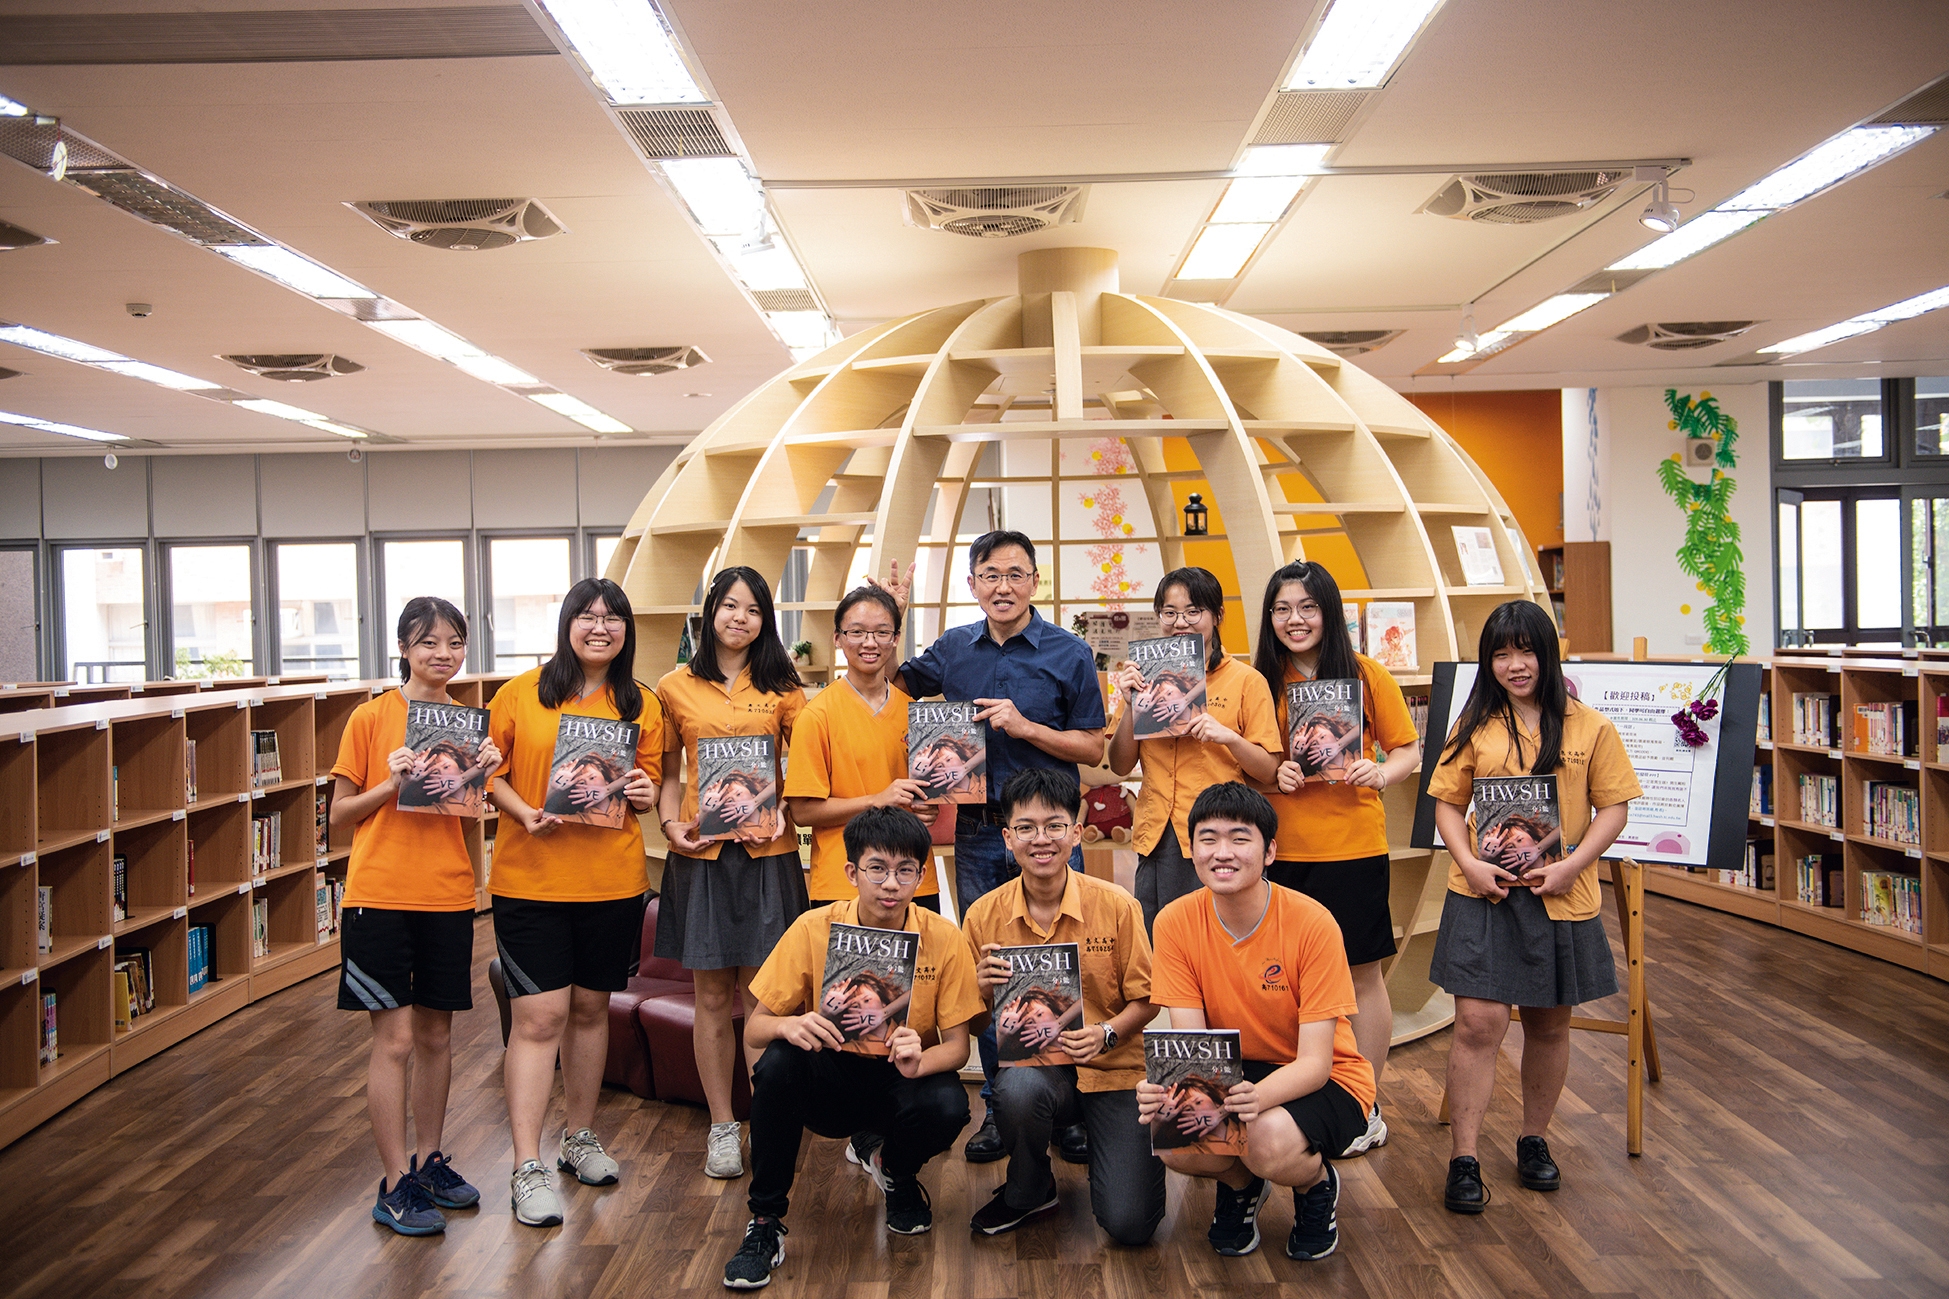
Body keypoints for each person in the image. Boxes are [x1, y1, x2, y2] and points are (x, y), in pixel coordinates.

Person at [873, 532, 1107, 1163]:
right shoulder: (953, 648)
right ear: (972, 584)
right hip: (978, 831)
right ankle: (1003, 1111)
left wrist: (1025, 727)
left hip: (1048, 833)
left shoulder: (1070, 652)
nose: (1003, 586)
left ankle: (1068, 1112)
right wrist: (893, 614)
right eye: (990, 575)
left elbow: (1093, 746)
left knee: (1063, 963)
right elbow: (892, 684)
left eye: (1016, 574)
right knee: (990, 967)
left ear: (1034, 581)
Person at [1426, 599, 1639, 1214]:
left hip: (1560, 895)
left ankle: (1534, 1139)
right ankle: (1464, 1157)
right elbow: (1447, 804)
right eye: (1500, 654)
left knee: (1549, 1024)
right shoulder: (1473, 727)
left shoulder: (1590, 727)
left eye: (1525, 651)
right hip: (1484, 894)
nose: (1514, 665)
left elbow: (1614, 808)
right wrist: (1469, 862)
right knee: (1477, 1024)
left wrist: (1572, 863)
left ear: (1548, 654)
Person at [722, 807, 982, 1290]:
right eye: (876, 868)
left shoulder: (944, 937)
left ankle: (895, 1171)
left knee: (948, 1104)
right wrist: (791, 1025)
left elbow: (959, 1049)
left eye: (905, 870)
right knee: (777, 1065)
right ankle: (764, 1222)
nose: (890, 884)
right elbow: (755, 1030)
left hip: (899, 1078)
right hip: (830, 1076)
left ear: (921, 875)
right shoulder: (813, 927)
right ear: (851, 872)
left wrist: (919, 1058)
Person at [486, 578, 662, 1229]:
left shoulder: (641, 702)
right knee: (539, 1018)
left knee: (591, 1011)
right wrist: (522, 812)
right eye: (586, 615)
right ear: (566, 624)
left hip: (612, 882)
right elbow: (489, 772)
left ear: (626, 631)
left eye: (613, 617)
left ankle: (578, 1137)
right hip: (529, 882)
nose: (599, 627)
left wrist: (644, 792)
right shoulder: (520, 694)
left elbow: (651, 783)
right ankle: (525, 1164)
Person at [1144, 782, 1376, 1263]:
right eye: (1208, 838)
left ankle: (1315, 1185)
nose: (1222, 852)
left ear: (1270, 851)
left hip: (1326, 1076)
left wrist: (1245, 1101)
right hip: (1234, 1070)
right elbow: (1194, 1043)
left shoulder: (1313, 922)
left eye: (1239, 838)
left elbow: (1316, 1064)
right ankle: (1240, 1185)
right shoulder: (1173, 922)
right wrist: (1174, 1090)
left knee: (1264, 1140)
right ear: (1192, 848)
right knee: (1172, 1138)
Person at [329, 596, 498, 1235]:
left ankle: (429, 1164)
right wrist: (389, 781)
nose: (443, 654)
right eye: (429, 642)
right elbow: (338, 817)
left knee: (436, 1037)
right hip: (378, 896)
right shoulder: (371, 717)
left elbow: (468, 812)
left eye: (455, 642)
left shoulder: (467, 726)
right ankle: (394, 1182)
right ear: (403, 648)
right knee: (395, 1040)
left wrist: (485, 777)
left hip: (448, 895)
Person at [1252, 560, 1421, 1156]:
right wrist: (1275, 775)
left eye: (1307, 607)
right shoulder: (1260, 681)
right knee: (1288, 979)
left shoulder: (1368, 675)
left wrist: (1381, 772)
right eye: (1282, 609)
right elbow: (1250, 763)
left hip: (1353, 846)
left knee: (1360, 975)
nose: (1294, 620)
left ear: (1329, 613)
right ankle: (1300, 1093)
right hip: (1280, 851)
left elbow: (1408, 749)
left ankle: (1364, 1103)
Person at [960, 768, 1165, 1245]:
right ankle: (1030, 1188)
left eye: (1054, 826)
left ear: (1076, 832)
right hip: (1038, 1071)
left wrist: (1107, 1032)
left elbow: (1147, 998)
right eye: (1026, 828)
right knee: (1016, 1088)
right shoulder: (983, 915)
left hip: (1114, 1070)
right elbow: (973, 1024)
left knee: (1130, 1224)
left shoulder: (1117, 904)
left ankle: (1113, 1156)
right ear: (1008, 838)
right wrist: (981, 990)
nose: (1041, 840)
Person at [657, 565, 810, 1180]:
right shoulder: (673, 687)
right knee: (712, 996)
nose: (739, 618)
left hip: (768, 857)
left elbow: (805, 765)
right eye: (729, 606)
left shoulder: (785, 687)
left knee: (763, 995)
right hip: (702, 857)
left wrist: (783, 811)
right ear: (710, 612)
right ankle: (722, 1125)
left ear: (764, 620)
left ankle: (766, 1118)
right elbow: (670, 772)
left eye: (752, 609)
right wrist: (670, 824)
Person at [1107, 567, 1282, 934]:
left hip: (1221, 835)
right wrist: (1130, 705)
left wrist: (1228, 738)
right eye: (1169, 612)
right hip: (1158, 835)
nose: (1180, 622)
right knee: (1161, 942)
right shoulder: (1143, 678)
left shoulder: (1246, 680)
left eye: (1193, 611)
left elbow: (1269, 769)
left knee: (1222, 941)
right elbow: (1120, 765)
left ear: (1217, 615)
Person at [784, 584, 942, 912]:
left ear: (895, 638)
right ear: (837, 638)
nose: (870, 643)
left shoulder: (915, 713)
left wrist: (928, 808)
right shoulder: (816, 716)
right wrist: (876, 800)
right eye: (856, 632)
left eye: (882, 632)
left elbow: (925, 794)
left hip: (912, 877)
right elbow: (802, 811)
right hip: (845, 880)